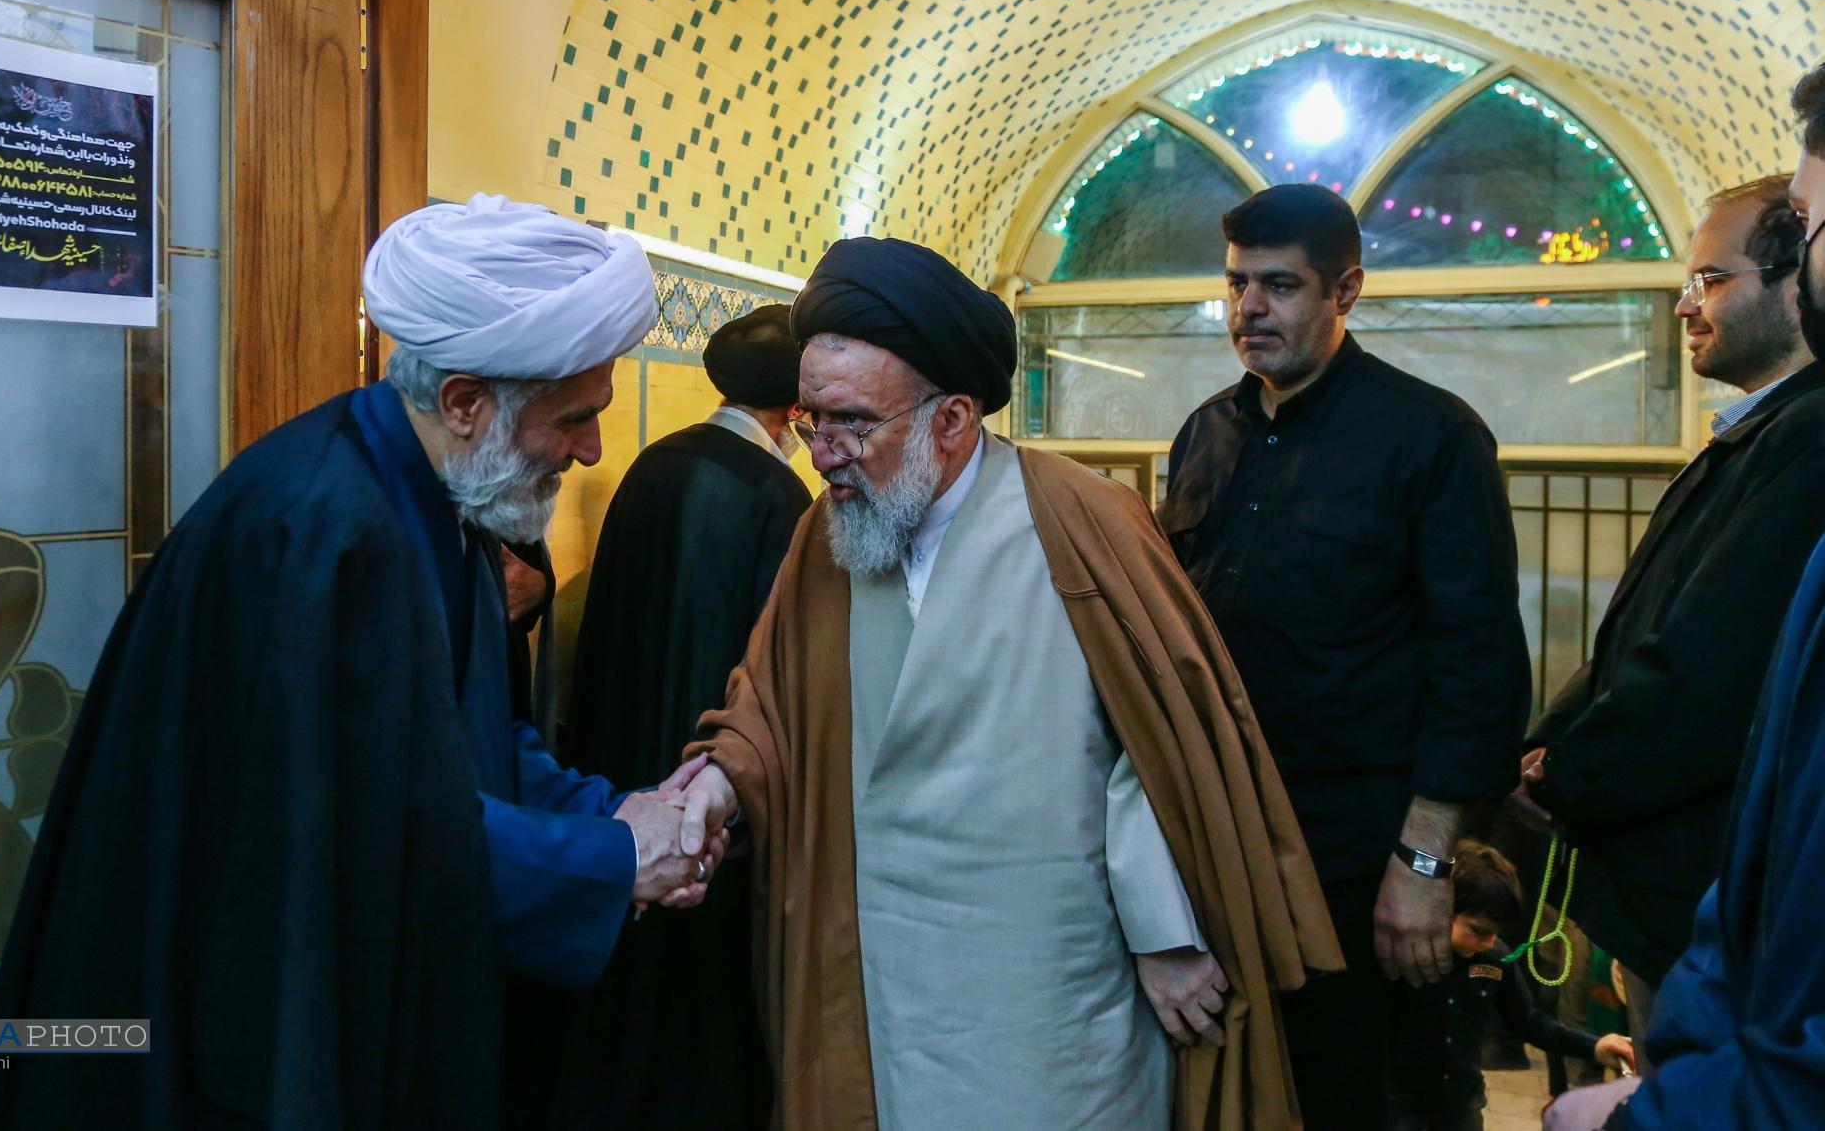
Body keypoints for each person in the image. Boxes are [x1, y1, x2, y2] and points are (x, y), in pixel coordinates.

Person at [0, 194, 723, 1129]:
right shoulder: (319, 529)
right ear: (465, 402)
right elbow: (362, 836)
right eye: (572, 418)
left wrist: (615, 812)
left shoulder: (446, 494)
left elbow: (468, 743)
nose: (592, 449)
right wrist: (611, 860)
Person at [673, 236, 1341, 1130]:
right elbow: (771, 702)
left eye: (852, 424)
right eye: (811, 421)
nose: (823, 454)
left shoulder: (1081, 521)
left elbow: (1154, 748)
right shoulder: (823, 541)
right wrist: (717, 783)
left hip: (1048, 973)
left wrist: (1166, 936)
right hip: (876, 968)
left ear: (952, 419)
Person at [1160, 184, 1532, 1129]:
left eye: (1279, 285)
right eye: (1236, 283)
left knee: (1348, 1097)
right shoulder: (1205, 432)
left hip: (1356, 855)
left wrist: (1422, 862)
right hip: (1219, 836)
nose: (1249, 308)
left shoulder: (1430, 435)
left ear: (1346, 290)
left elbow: (1477, 662)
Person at [1540, 58, 1825, 1131]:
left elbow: (1704, 671)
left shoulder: (1804, 440)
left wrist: (1565, 774)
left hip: (1704, 898)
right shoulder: (1757, 432)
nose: (1684, 302)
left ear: (1790, 281)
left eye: (1709, 277)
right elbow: (1644, 630)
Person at [526, 303, 812, 1128]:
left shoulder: (652, 463)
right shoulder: (779, 495)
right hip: (706, 804)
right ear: (794, 408)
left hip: (616, 786)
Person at [1388, 842, 1634, 1131]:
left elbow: (1530, 1023)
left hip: (1461, 1109)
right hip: (1399, 1108)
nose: (1489, 942)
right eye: (1479, 931)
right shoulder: (1403, 954)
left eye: (1495, 934)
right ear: (1444, 907)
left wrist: (1594, 1046)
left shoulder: (1494, 961)